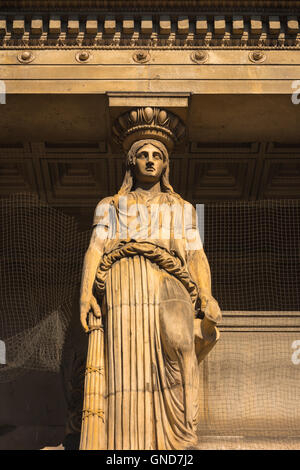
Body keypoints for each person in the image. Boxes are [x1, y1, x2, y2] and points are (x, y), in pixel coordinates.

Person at [79, 136, 221, 450]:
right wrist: (85, 294)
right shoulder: (111, 205)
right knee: (126, 364)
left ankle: (178, 435)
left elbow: (196, 255)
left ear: (165, 164)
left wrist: (207, 296)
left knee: (179, 340)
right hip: (123, 280)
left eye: (157, 155)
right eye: (142, 155)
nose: (150, 160)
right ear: (132, 162)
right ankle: (128, 444)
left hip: (171, 278)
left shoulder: (182, 208)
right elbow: (95, 249)